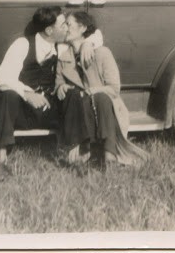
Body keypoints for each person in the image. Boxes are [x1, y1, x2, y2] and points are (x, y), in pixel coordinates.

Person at [0, 6, 102, 181]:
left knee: (72, 94)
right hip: (24, 111)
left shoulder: (62, 45)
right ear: (50, 30)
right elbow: (2, 78)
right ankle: (0, 161)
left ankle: (75, 158)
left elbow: (96, 33)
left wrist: (89, 43)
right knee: (8, 94)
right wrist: (27, 94)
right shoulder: (23, 44)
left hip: (50, 109)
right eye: (63, 25)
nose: (67, 28)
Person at [56, 11, 148, 169]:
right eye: (64, 25)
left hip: (104, 107)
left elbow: (114, 89)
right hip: (79, 111)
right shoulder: (64, 57)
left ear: (82, 28)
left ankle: (109, 155)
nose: (65, 28)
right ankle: (86, 151)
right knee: (81, 97)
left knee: (101, 97)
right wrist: (61, 87)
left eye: (69, 24)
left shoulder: (103, 53)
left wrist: (91, 91)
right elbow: (57, 85)